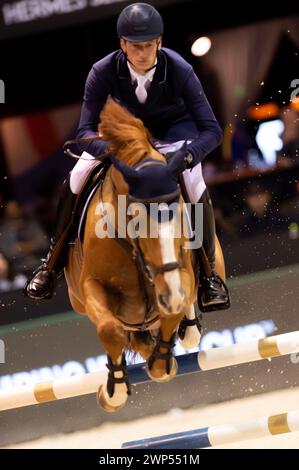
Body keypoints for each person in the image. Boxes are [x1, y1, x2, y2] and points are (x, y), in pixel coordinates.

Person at [24, 2, 230, 311]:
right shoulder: (103, 70)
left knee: (194, 180)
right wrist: (115, 155)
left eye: (149, 46)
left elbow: (212, 131)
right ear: (122, 44)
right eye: (135, 47)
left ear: (159, 42)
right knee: (76, 177)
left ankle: (209, 275)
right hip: (124, 138)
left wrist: (188, 156)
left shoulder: (180, 69)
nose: (143, 53)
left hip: (173, 135)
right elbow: (84, 130)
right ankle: (51, 264)